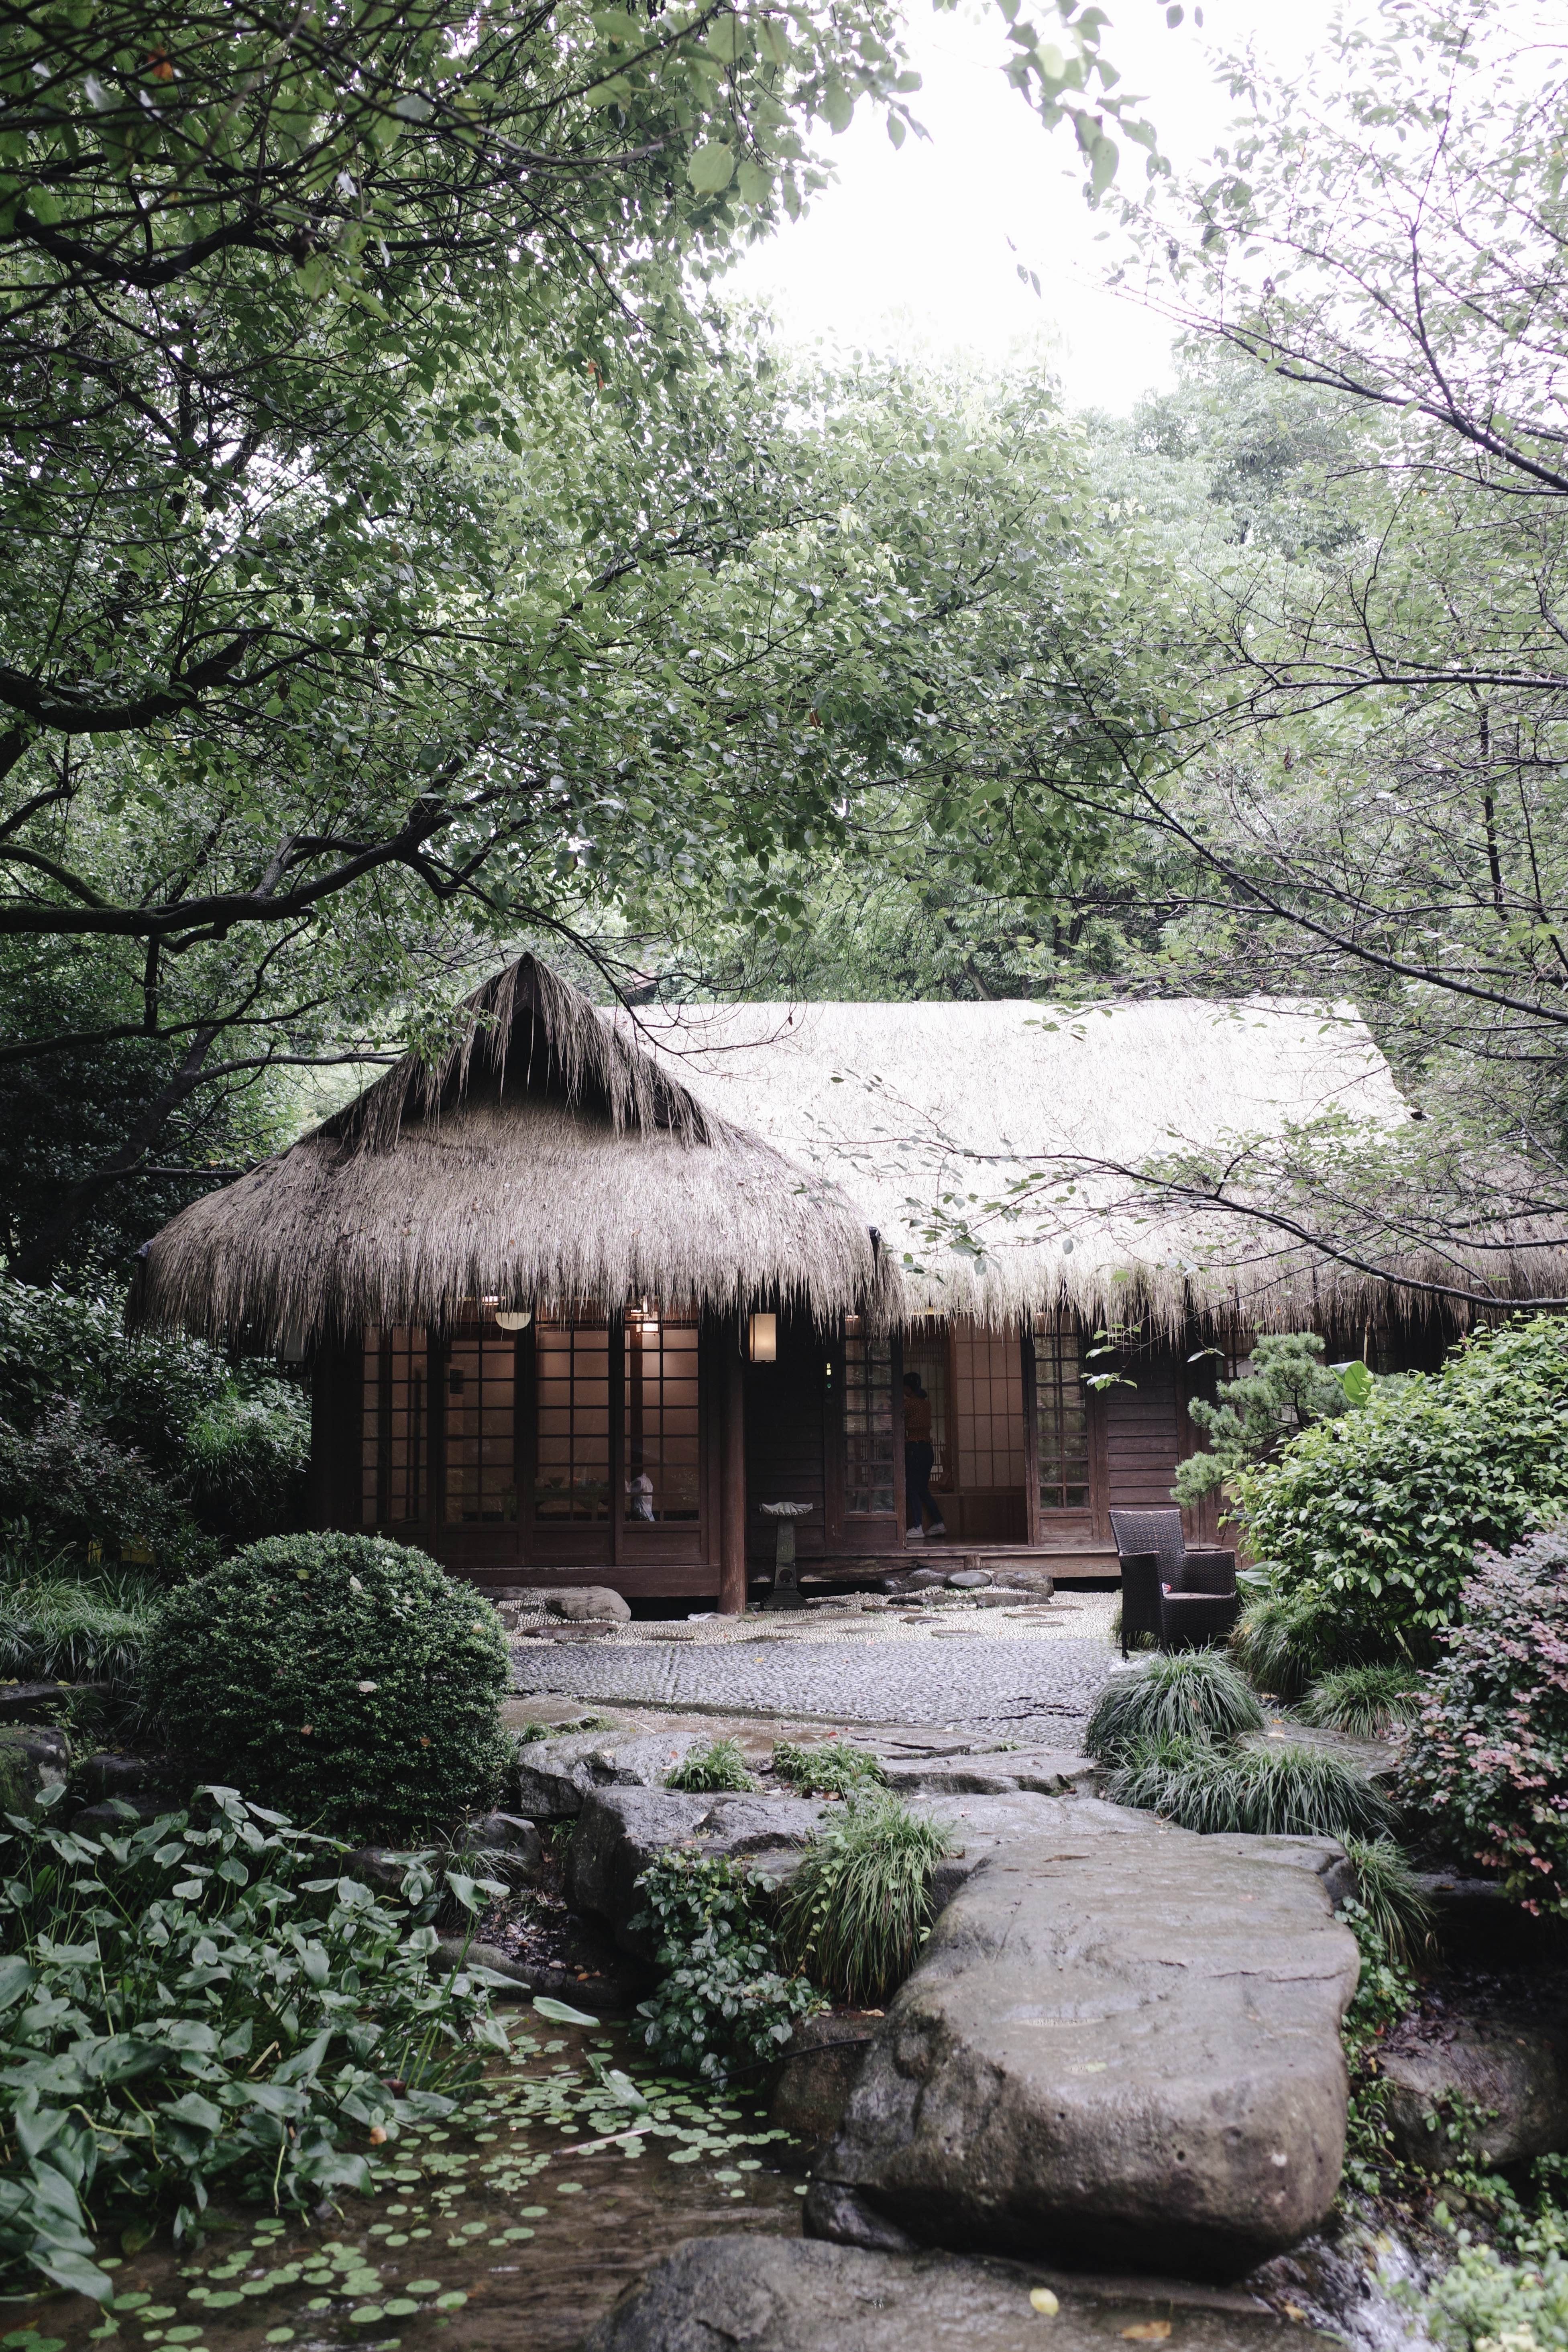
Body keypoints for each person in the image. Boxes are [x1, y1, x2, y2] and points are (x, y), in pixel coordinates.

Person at [902, 1371, 946, 1540]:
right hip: (927, 1450)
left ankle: (917, 1526)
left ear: (908, 1387)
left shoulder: (909, 1404)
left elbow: (899, 1420)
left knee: (913, 1488)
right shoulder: (925, 1404)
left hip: (915, 1449)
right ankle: (938, 1522)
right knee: (922, 1488)